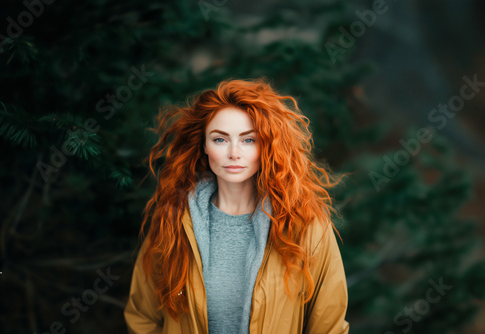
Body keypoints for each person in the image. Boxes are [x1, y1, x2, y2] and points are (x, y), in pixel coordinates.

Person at [124, 77, 350, 334]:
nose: (234, 152)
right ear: (204, 146)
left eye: (248, 140)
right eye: (220, 139)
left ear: (267, 145)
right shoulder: (173, 221)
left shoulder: (306, 226)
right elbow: (142, 317)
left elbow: (328, 327)